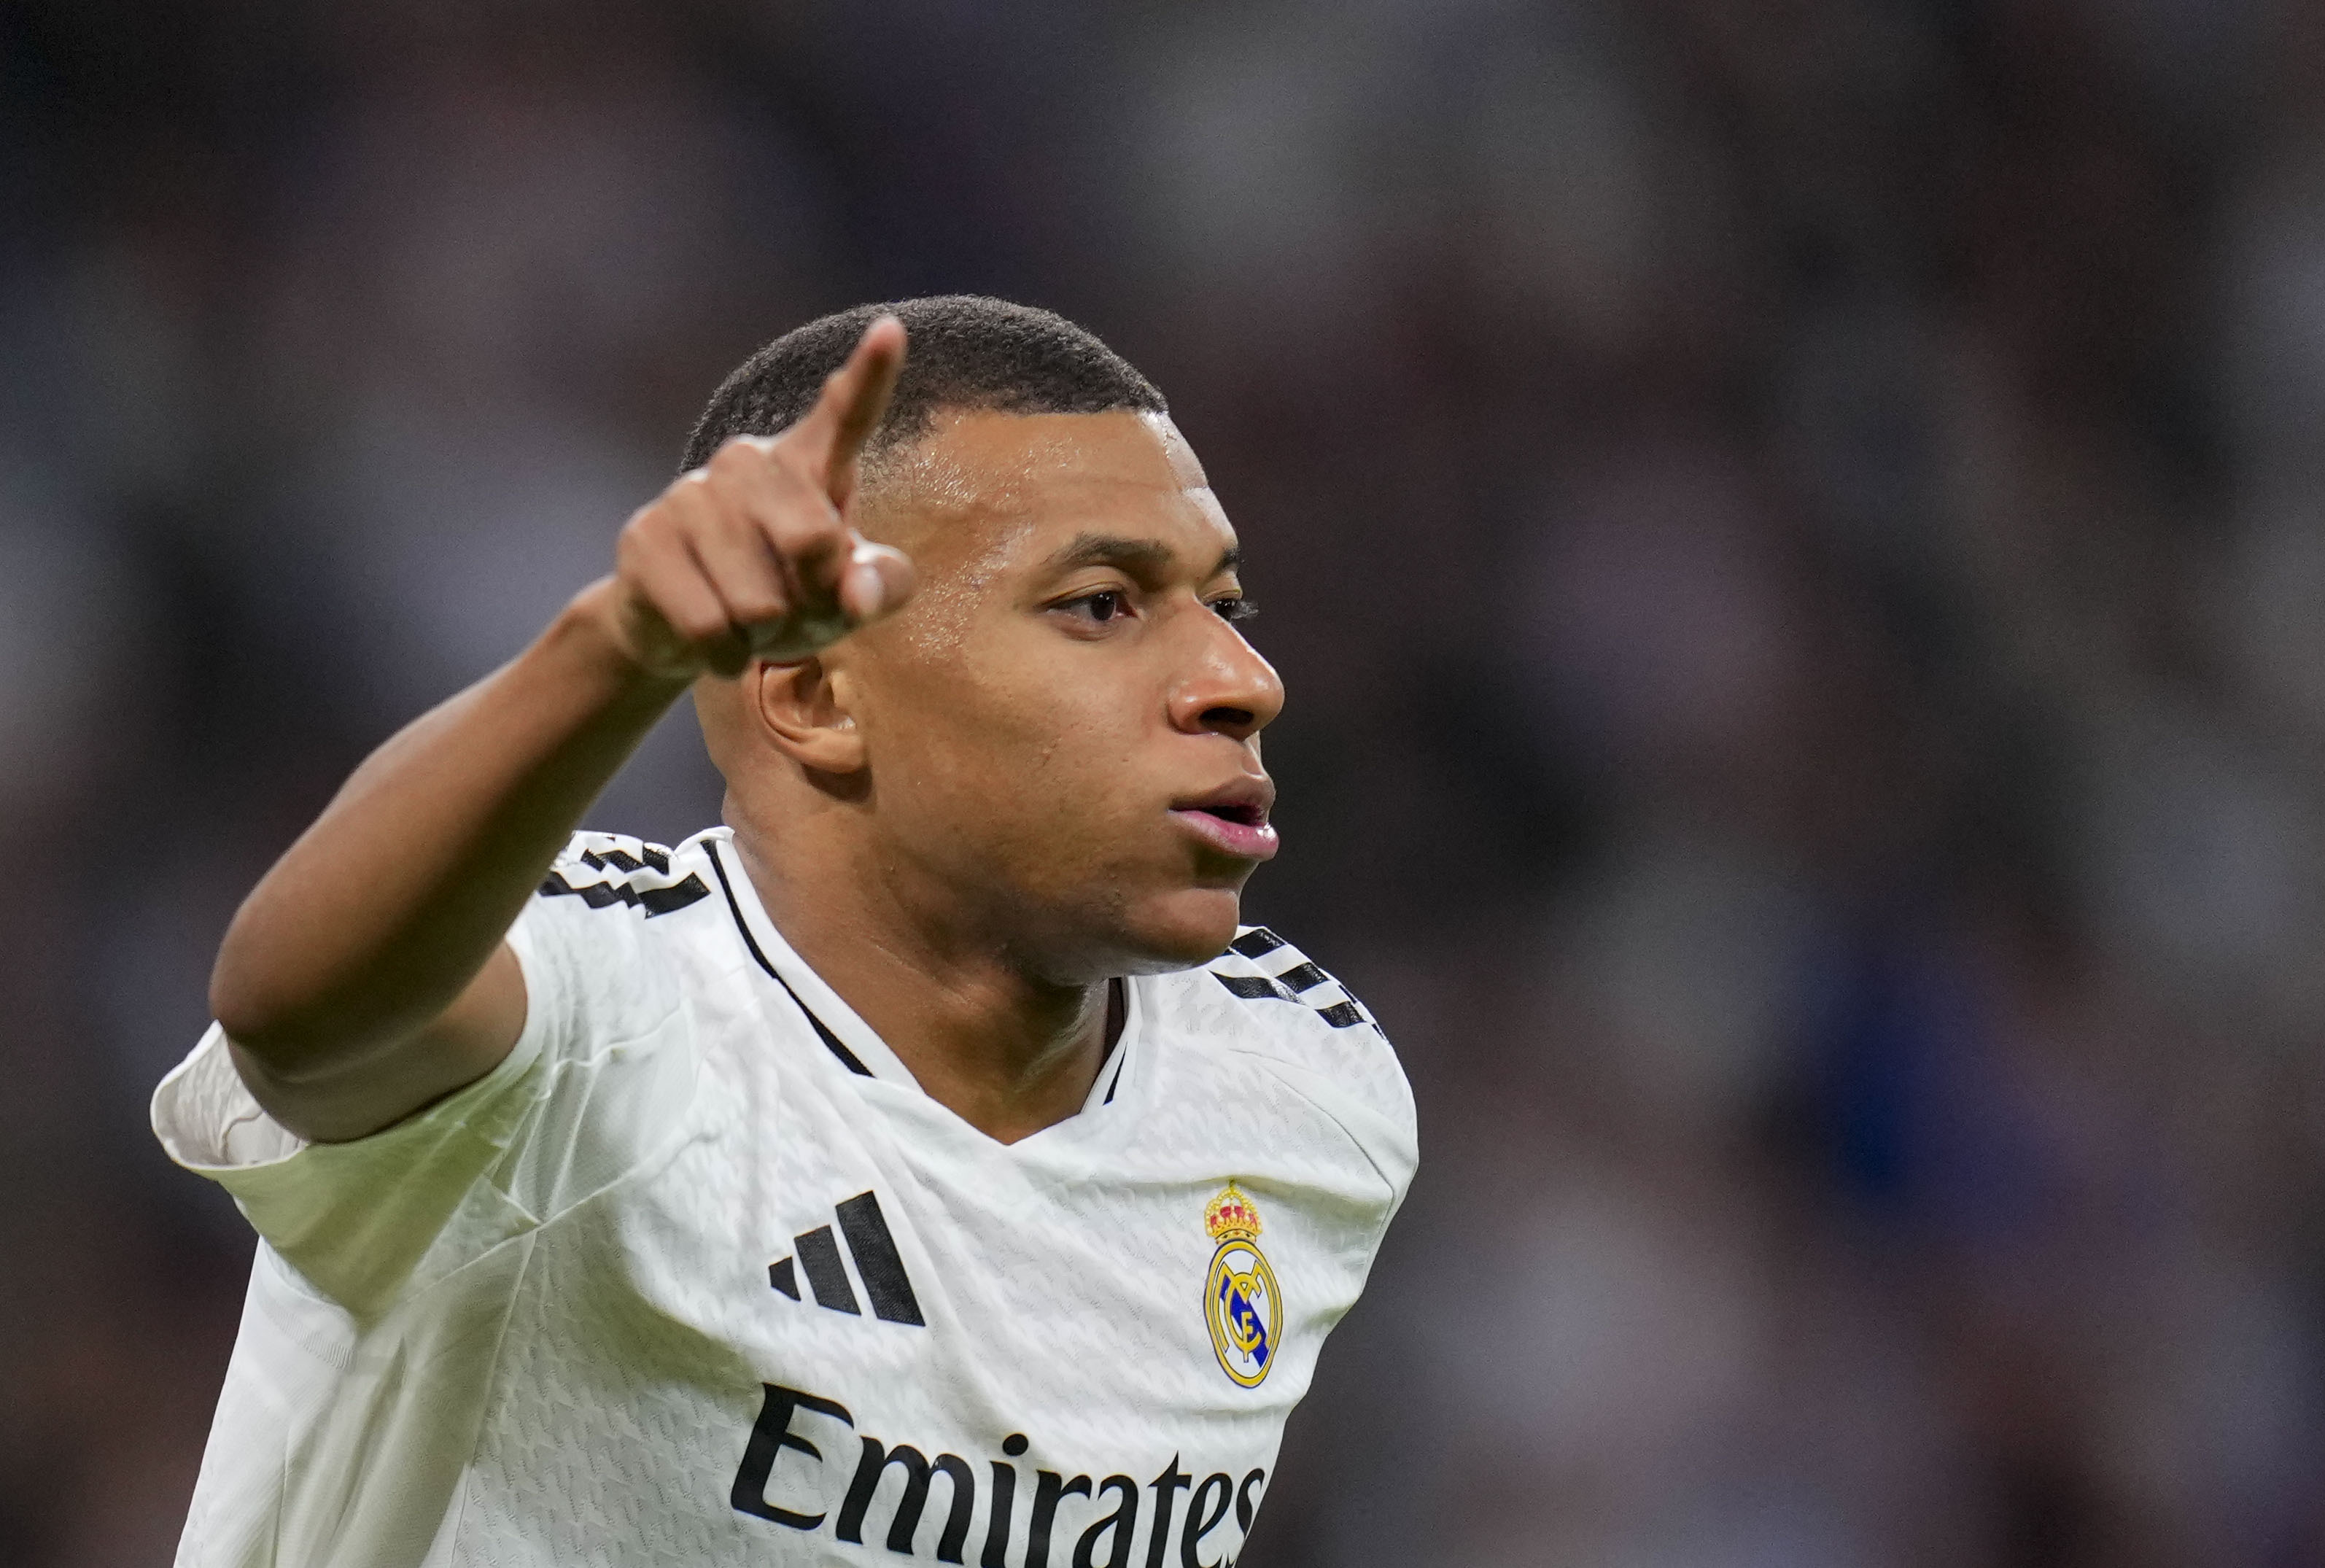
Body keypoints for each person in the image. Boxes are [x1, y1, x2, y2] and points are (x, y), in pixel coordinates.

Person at [153, 295, 1416, 1568]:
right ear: (814, 694)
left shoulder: (1304, 1096)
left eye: (1225, 604)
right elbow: (298, 1016)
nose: (1242, 680)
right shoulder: (608, 1021)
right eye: (1100, 604)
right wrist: (619, 645)